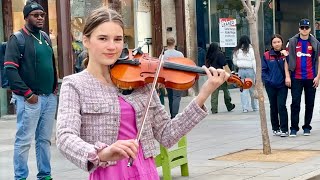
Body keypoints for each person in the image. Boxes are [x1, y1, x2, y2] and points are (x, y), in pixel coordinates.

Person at [56, 7, 228, 180]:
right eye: (102, 38)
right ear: (86, 40)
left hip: (145, 171)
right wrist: (101, 153)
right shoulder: (75, 85)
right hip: (109, 173)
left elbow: (167, 134)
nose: (111, 46)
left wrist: (203, 94)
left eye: (118, 39)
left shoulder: (141, 82)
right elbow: (65, 137)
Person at [4, 1, 58, 180]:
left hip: (49, 98)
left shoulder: (45, 37)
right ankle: (20, 177)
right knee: (24, 141)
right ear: (26, 17)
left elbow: (50, 64)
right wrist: (28, 94)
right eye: (35, 15)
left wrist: (53, 89)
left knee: (44, 140)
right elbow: (10, 70)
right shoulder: (17, 38)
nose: (40, 18)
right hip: (29, 99)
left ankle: (45, 175)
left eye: (42, 15)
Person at [284, 18, 320, 137]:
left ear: (310, 29)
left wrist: (318, 76)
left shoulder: (315, 42)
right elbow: (286, 60)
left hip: (311, 77)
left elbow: (319, 60)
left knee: (310, 103)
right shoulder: (292, 42)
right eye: (302, 28)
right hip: (296, 77)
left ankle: (307, 127)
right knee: (295, 103)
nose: (304, 30)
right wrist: (288, 76)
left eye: (307, 28)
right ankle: (294, 128)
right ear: (299, 29)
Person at [262, 34, 289, 137]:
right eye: (274, 42)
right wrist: (268, 81)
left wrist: (287, 56)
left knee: (281, 105)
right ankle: (275, 128)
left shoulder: (286, 54)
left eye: (278, 42)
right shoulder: (266, 55)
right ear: (271, 44)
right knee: (273, 106)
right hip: (271, 85)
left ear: (282, 42)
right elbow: (263, 70)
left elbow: (292, 66)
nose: (277, 44)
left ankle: (284, 129)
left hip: (283, 85)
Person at [205, 42, 235, 114]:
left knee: (214, 93)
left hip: (213, 75)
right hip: (221, 75)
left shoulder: (208, 55)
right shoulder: (219, 54)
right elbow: (224, 64)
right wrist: (229, 73)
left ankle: (214, 109)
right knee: (225, 91)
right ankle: (229, 105)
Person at [232, 35, 259, 113]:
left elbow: (234, 61)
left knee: (243, 89)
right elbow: (254, 61)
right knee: (252, 88)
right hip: (250, 70)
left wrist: (239, 64)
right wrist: (256, 72)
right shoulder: (251, 49)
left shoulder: (236, 50)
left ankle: (245, 108)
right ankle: (255, 107)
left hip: (241, 70)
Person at [164, 37, 184, 118]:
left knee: (170, 96)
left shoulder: (163, 54)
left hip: (168, 77)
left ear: (167, 44)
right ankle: (174, 115)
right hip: (177, 77)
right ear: (174, 43)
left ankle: (172, 113)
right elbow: (183, 66)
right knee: (177, 97)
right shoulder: (179, 54)